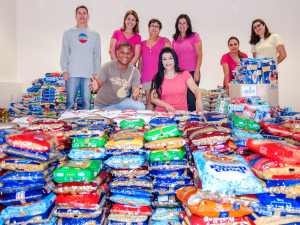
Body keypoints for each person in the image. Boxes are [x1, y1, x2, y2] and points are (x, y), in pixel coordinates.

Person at [60, 5, 101, 110]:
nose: (82, 15)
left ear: (88, 16)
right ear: (75, 16)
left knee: (87, 104)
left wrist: (97, 71)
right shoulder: (68, 33)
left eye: (84, 13)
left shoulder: (95, 34)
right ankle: (69, 124)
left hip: (88, 75)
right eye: (79, 13)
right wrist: (64, 70)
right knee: (69, 104)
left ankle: (85, 126)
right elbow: (64, 53)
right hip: (72, 74)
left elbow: (97, 55)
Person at [90, 42, 145, 111]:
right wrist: (95, 86)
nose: (125, 56)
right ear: (117, 53)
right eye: (122, 52)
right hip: (104, 106)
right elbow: (97, 86)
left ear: (131, 55)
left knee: (140, 106)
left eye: (128, 53)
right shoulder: (107, 66)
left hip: (121, 103)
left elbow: (134, 96)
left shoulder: (135, 72)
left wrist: (135, 96)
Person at [151, 47, 203, 113]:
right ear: (161, 62)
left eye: (170, 58)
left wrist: (198, 99)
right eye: (164, 59)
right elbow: (153, 99)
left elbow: (196, 89)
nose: (168, 62)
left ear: (175, 60)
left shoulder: (184, 74)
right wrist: (166, 105)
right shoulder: (157, 77)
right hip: (161, 114)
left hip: (180, 115)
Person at [138, 19, 172, 110]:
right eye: (152, 26)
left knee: (161, 101)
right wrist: (138, 78)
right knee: (150, 101)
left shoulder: (165, 41)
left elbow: (171, 59)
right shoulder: (142, 44)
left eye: (157, 26)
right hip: (146, 77)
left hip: (160, 77)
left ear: (160, 29)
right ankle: (149, 121)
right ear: (148, 28)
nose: (154, 28)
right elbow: (140, 62)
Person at [172, 14, 203, 112]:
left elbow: (200, 54)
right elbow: (174, 59)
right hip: (179, 74)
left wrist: (197, 71)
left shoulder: (195, 36)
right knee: (181, 100)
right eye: (180, 23)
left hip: (192, 73)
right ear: (177, 25)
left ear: (188, 25)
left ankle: (193, 123)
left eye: (184, 23)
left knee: (191, 100)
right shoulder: (174, 40)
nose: (182, 25)